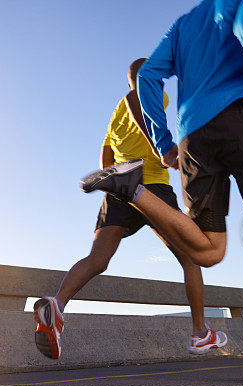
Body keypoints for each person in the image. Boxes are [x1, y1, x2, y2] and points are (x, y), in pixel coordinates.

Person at [81, 0, 243, 383]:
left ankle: (133, 190)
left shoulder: (183, 24)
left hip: (195, 135)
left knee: (209, 250)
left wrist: (164, 143)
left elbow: (148, 77)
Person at [32, 58, 228, 360]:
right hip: (152, 188)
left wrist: (116, 185)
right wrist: (163, 149)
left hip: (119, 190)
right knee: (191, 257)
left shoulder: (114, 119)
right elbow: (145, 111)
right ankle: (201, 333)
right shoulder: (148, 93)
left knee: (98, 258)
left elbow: (104, 163)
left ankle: (56, 304)